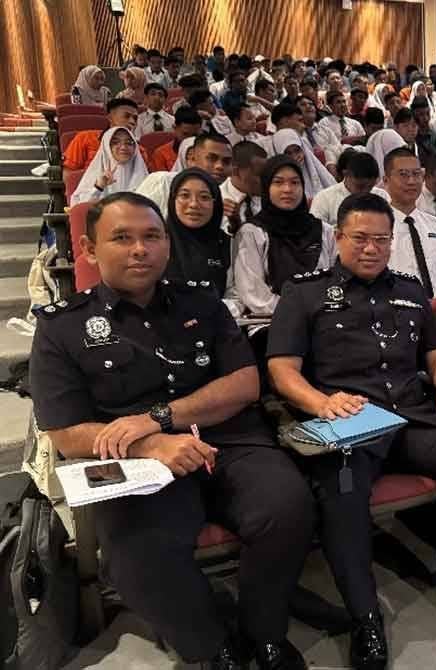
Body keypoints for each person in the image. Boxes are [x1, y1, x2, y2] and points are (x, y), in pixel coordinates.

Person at [30, 192, 313, 670]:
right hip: (135, 460)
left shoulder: (202, 301)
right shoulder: (63, 327)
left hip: (229, 440)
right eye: (122, 238)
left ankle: (264, 630)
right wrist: (151, 443)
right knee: (137, 553)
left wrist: (160, 418)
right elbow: (65, 432)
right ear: (88, 249)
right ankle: (212, 646)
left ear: (166, 244)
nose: (140, 249)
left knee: (288, 505)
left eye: (152, 236)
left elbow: (245, 384)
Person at [267, 194, 436, 668]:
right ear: (338, 237)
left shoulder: (410, 289)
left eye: (381, 239)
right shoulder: (304, 293)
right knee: (341, 491)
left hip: (411, 418)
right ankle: (365, 618)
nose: (371, 248)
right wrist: (321, 403)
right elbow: (282, 370)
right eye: (359, 238)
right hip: (351, 425)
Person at [234, 156, 336, 315]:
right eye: (278, 182)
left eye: (295, 182)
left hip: (322, 318)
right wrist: (298, 312)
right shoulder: (252, 232)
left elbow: (334, 279)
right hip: (272, 320)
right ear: (266, 187)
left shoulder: (324, 230)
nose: (287, 189)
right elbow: (254, 294)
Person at [382, 147, 436, 296]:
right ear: (386, 181)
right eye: (403, 175)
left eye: (416, 174)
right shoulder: (377, 229)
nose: (411, 181)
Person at [163, 168, 242, 314]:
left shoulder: (226, 244)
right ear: (173, 199)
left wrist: (207, 312)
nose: (194, 204)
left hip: (214, 325)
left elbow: (235, 296)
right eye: (184, 195)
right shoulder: (157, 242)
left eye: (204, 197)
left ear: (216, 203)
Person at [137, 133, 233, 214]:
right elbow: (134, 219)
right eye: (212, 158)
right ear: (192, 159)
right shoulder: (162, 182)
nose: (219, 166)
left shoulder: (229, 198)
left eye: (227, 161)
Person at [70, 127, 148, 205]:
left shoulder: (146, 179)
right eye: (115, 142)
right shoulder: (95, 176)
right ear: (106, 147)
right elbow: (80, 210)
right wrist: (98, 187)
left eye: (128, 143)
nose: (123, 147)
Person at [311, 151, 390, 228]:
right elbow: (316, 231)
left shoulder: (382, 196)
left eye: (370, 187)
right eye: (360, 187)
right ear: (346, 174)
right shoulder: (324, 198)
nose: (365, 192)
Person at [64, 99, 142, 171]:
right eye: (126, 116)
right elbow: (69, 175)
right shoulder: (84, 138)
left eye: (135, 118)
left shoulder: (140, 150)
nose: (132, 122)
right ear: (110, 118)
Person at [271, 128, 336, 199]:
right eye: (288, 153)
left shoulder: (315, 168)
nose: (295, 157)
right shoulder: (276, 185)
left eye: (297, 150)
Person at [220, 140, 268, 230]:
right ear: (236, 171)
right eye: (259, 174)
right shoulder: (217, 200)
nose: (265, 179)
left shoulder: (269, 197)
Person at [149, 107, 202, 172]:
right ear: (175, 128)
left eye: (195, 135)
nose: (190, 140)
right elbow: (160, 181)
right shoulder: (161, 154)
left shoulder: (205, 153)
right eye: (185, 134)